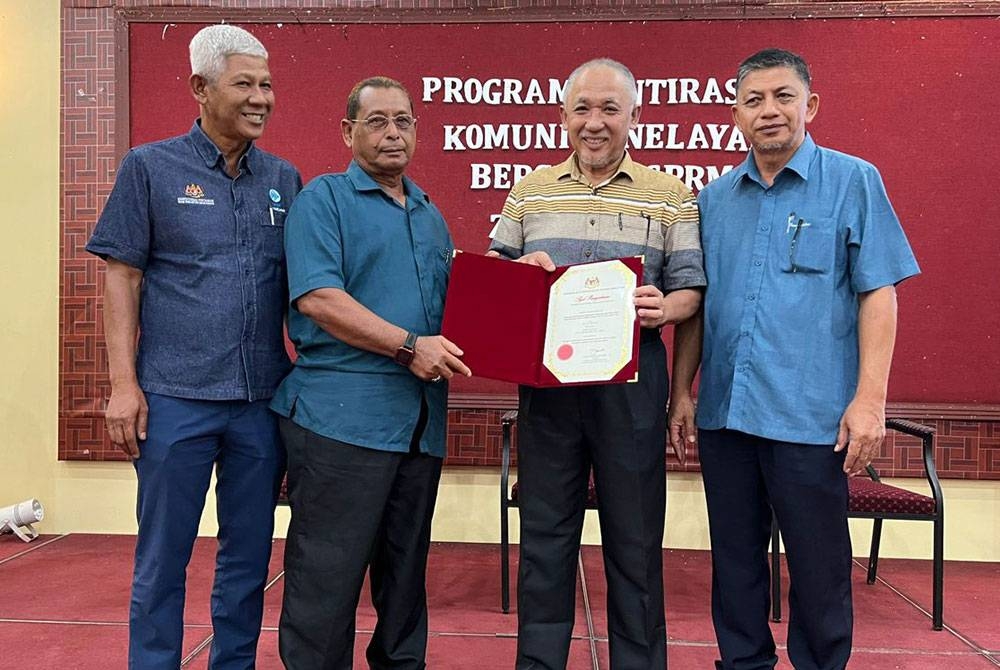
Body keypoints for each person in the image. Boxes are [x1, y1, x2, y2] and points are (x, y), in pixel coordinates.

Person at [668, 48, 921, 670]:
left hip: (811, 419)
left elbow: (878, 292)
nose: (769, 111)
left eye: (782, 96)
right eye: (753, 100)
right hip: (727, 415)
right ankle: (743, 662)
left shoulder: (853, 180)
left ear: (810, 105)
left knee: (819, 565)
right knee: (734, 562)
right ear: (735, 115)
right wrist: (681, 392)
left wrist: (871, 400)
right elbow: (700, 306)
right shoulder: (713, 200)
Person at [86, 25, 301, 670]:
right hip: (173, 399)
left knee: (248, 559)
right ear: (200, 89)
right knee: (163, 556)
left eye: (266, 84)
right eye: (245, 84)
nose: (261, 97)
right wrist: (124, 386)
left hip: (261, 402)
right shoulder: (149, 168)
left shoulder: (283, 179)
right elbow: (121, 275)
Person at [487, 58, 706, 669]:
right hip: (547, 390)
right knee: (544, 537)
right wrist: (515, 276)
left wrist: (664, 306)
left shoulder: (671, 197)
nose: (595, 122)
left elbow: (693, 292)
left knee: (635, 544)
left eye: (610, 109)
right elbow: (491, 275)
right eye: (582, 109)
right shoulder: (530, 191)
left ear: (636, 117)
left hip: (633, 390)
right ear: (562, 117)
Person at [271, 76, 470, 670]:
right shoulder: (323, 200)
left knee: (406, 582)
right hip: (339, 422)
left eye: (403, 121)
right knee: (325, 583)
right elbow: (319, 299)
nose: (392, 134)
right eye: (377, 121)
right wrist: (409, 347)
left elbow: (457, 307)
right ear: (348, 131)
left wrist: (530, 281)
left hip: (418, 426)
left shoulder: (431, 214)